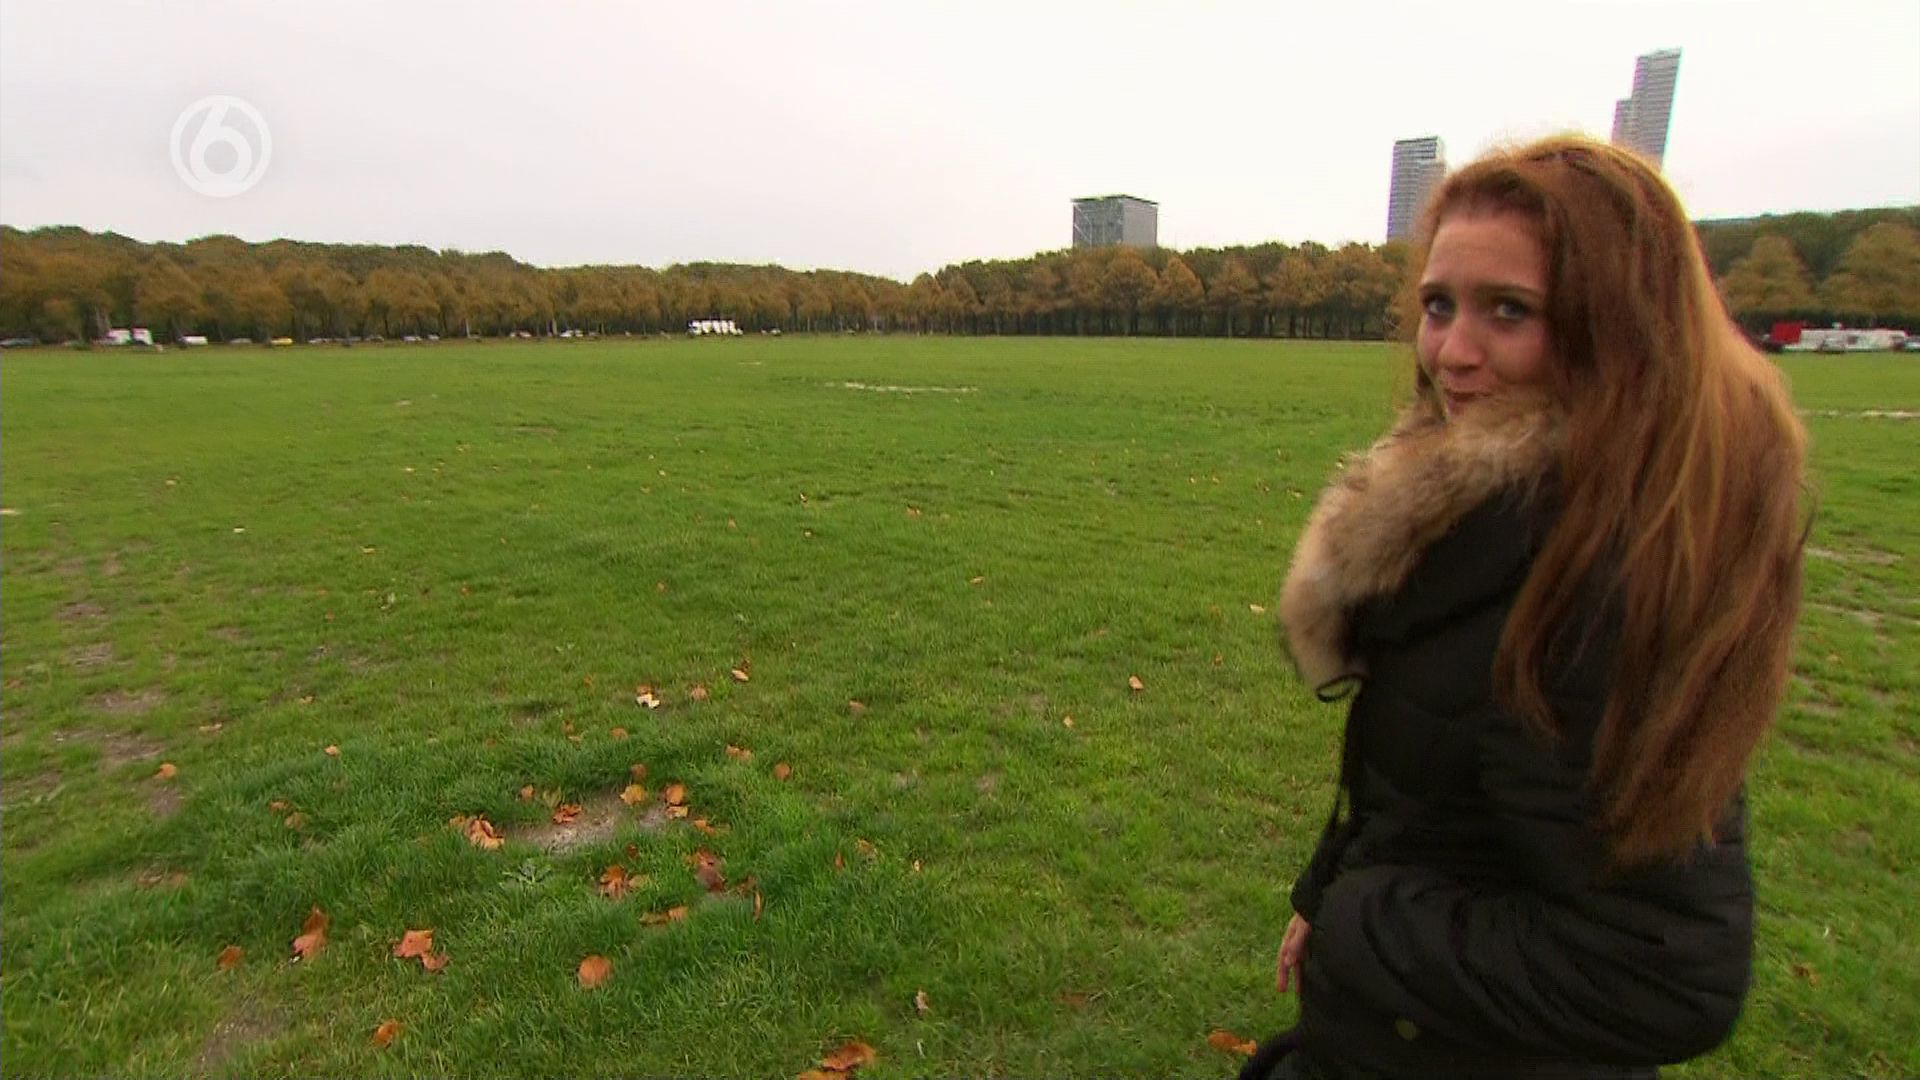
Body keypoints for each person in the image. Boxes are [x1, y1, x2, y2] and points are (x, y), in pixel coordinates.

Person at [1252, 136, 1808, 1080]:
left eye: (1508, 311)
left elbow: (1669, 972)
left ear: (1617, 326)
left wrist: (1360, 921)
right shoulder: (1479, 511)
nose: (1452, 352)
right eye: (1439, 306)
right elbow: (1427, 780)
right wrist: (1326, 884)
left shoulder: (1598, 582)